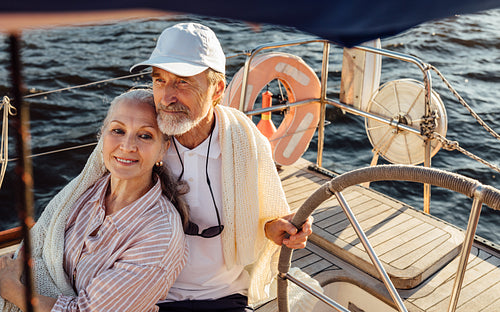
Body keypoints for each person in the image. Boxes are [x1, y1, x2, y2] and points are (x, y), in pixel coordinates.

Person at [130, 22, 314, 312]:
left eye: (182, 82)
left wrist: (275, 228)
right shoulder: (137, 139)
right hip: (148, 293)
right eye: (159, 80)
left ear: (217, 90)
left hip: (224, 296)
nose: (166, 97)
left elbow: (264, 219)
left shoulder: (247, 144)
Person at [0, 89, 188, 312]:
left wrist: (10, 288)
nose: (127, 145)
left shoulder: (160, 235)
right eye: (118, 130)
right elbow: (41, 242)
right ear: (102, 136)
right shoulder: (86, 190)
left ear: (162, 150)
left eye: (145, 135)